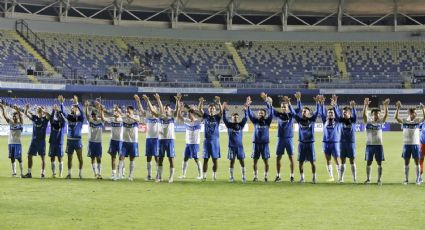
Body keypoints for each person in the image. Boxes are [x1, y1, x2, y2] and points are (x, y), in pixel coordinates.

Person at [261, 93, 296, 183]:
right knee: (278, 158)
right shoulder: (279, 114)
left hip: (289, 139)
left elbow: (294, 113)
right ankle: (278, 175)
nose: (284, 108)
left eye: (285, 107)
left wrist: (290, 103)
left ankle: (292, 176)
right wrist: (267, 101)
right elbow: (270, 109)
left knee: (291, 158)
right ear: (281, 108)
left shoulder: (291, 115)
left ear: (287, 107)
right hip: (280, 139)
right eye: (282, 107)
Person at [293, 92, 321, 184]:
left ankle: (314, 177)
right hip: (301, 144)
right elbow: (293, 112)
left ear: (309, 113)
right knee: (300, 162)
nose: (303, 112)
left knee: (312, 162)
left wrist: (317, 103)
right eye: (302, 111)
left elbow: (317, 112)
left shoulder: (312, 120)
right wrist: (298, 100)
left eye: (305, 111)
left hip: (310, 144)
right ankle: (302, 178)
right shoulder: (299, 120)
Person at [394, 101, 425, 185]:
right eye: (415, 113)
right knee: (406, 162)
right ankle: (406, 179)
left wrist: (423, 109)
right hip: (406, 144)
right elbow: (396, 117)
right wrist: (398, 108)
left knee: (417, 162)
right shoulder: (405, 121)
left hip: (415, 144)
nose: (416, 114)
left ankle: (418, 179)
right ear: (410, 113)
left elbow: (424, 117)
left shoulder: (417, 121)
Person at [362, 97, 390, 185]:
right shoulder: (368, 122)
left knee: (379, 163)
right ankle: (368, 179)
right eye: (375, 114)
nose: (377, 115)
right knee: (369, 162)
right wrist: (365, 105)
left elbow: (386, 116)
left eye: (378, 114)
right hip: (369, 145)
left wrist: (385, 106)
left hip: (378, 145)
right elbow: (364, 116)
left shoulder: (380, 122)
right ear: (372, 114)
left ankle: (379, 180)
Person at [246, 95, 273, 182]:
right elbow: (249, 114)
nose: (260, 113)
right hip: (256, 144)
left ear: (265, 114)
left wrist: (269, 103)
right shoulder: (255, 121)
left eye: (262, 113)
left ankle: (266, 176)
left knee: (266, 162)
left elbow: (271, 113)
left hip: (265, 145)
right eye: (259, 113)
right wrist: (248, 105)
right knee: (255, 162)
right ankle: (255, 176)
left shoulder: (267, 121)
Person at [59, 95, 85, 179]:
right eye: (71, 108)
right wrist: (62, 103)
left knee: (80, 158)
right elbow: (63, 112)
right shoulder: (69, 117)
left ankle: (80, 173)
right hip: (70, 140)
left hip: (77, 141)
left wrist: (76, 103)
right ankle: (69, 174)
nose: (72, 109)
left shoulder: (80, 118)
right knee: (69, 158)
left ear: (76, 109)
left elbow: (83, 114)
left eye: (73, 108)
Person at [222, 102, 248, 183]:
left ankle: (243, 176)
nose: (235, 118)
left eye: (237, 116)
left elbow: (245, 118)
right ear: (232, 118)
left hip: (240, 147)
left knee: (242, 161)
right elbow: (224, 118)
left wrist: (245, 111)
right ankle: (231, 176)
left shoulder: (241, 125)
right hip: (231, 147)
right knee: (232, 161)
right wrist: (224, 111)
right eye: (234, 116)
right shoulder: (229, 125)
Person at [198, 96, 223, 181]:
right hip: (206, 141)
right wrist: (201, 102)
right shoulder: (206, 117)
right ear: (208, 109)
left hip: (215, 141)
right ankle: (204, 176)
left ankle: (214, 175)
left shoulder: (217, 117)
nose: (212, 109)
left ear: (215, 110)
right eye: (210, 108)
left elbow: (221, 111)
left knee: (215, 159)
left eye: (213, 108)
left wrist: (219, 102)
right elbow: (200, 110)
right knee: (205, 159)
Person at [22, 104, 50, 178]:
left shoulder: (45, 119)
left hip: (41, 141)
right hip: (34, 140)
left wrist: (43, 111)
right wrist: (26, 108)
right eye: (37, 108)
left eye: (39, 108)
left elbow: (49, 116)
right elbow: (25, 114)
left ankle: (43, 173)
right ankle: (29, 173)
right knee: (29, 156)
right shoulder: (34, 117)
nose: (38, 109)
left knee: (42, 158)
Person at [136, 94, 159, 181]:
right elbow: (141, 110)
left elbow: (153, 110)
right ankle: (149, 175)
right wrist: (138, 101)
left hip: (156, 139)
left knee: (156, 157)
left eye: (153, 108)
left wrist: (147, 101)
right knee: (148, 157)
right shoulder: (148, 116)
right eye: (150, 109)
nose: (151, 110)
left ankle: (158, 174)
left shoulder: (158, 116)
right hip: (149, 138)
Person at [117, 97, 141, 181]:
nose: (127, 111)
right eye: (127, 110)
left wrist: (131, 117)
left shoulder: (136, 117)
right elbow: (119, 115)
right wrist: (118, 111)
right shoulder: (124, 118)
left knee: (132, 159)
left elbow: (138, 120)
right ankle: (119, 175)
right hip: (125, 142)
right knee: (121, 157)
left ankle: (130, 176)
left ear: (132, 111)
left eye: (129, 110)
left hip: (133, 142)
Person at [177, 103, 203, 180]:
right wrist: (180, 108)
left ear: (193, 114)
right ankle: (183, 174)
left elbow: (202, 115)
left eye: (189, 114)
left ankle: (200, 175)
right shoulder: (187, 121)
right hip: (188, 144)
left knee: (196, 159)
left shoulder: (198, 121)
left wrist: (195, 110)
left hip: (195, 144)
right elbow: (179, 116)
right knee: (185, 158)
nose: (188, 116)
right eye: (188, 114)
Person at [320, 95, 342, 182]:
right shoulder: (324, 121)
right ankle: (331, 176)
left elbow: (338, 114)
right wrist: (321, 103)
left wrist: (335, 105)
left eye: (332, 113)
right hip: (325, 143)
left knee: (337, 160)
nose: (330, 114)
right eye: (329, 113)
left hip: (335, 143)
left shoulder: (337, 121)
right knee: (328, 160)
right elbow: (321, 112)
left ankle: (340, 177)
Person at [335, 100, 358, 183]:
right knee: (342, 161)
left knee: (352, 161)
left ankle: (354, 178)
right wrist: (335, 106)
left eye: (345, 112)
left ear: (349, 113)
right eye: (343, 112)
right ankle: (341, 178)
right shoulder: (340, 120)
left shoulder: (353, 120)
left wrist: (353, 107)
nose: (344, 113)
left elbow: (355, 116)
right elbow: (337, 115)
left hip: (351, 143)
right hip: (342, 144)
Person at [0, 104, 24, 177]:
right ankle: (14, 172)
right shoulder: (11, 123)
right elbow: (5, 116)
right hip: (10, 143)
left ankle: (22, 173)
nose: (14, 116)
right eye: (13, 115)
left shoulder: (20, 124)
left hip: (18, 143)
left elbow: (21, 117)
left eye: (15, 115)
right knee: (12, 158)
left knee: (19, 158)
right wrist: (3, 109)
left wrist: (18, 111)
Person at [85, 100, 105, 179]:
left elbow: (103, 118)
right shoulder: (90, 121)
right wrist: (86, 106)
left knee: (99, 158)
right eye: (93, 115)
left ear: (97, 115)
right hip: (91, 142)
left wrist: (101, 109)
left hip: (98, 142)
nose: (94, 116)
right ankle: (95, 173)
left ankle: (99, 173)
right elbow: (86, 115)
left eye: (95, 115)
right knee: (92, 158)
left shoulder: (100, 121)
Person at [48, 104, 66, 178]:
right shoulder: (53, 123)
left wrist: (59, 112)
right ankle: (54, 173)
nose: (57, 116)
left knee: (60, 158)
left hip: (59, 143)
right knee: (52, 158)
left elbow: (63, 119)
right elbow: (51, 118)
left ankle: (60, 173)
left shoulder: (62, 124)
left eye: (58, 115)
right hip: (52, 142)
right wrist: (53, 110)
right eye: (57, 115)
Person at [107, 105, 123, 180]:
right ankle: (113, 174)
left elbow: (122, 115)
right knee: (113, 158)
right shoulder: (112, 119)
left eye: (117, 111)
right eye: (115, 111)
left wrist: (118, 111)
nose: (115, 112)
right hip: (113, 141)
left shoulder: (123, 119)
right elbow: (104, 118)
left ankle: (121, 173)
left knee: (121, 158)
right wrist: (101, 110)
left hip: (121, 141)